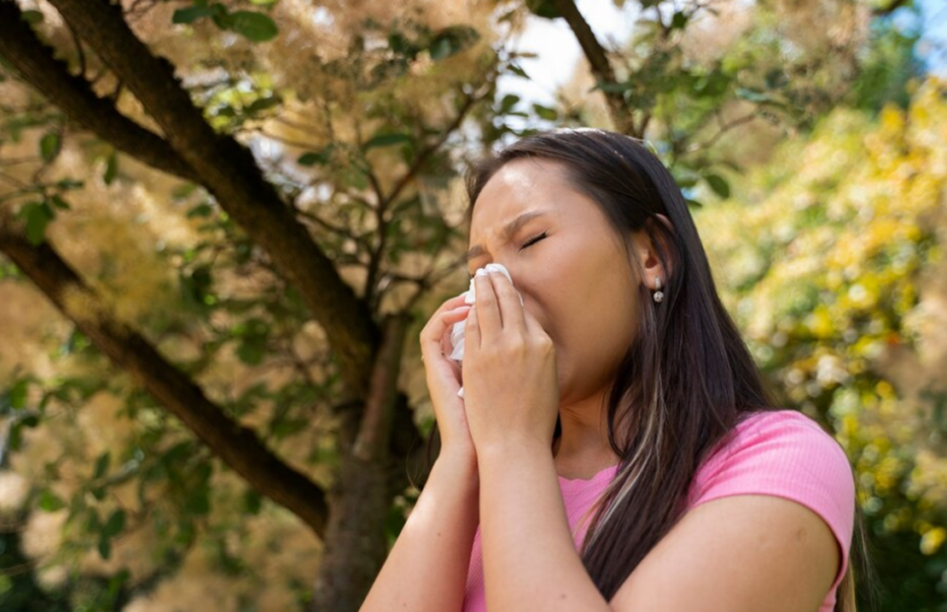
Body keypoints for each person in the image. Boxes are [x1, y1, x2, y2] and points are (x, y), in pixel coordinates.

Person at [359, 128, 872, 612]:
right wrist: (465, 450)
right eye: (477, 272)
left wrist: (514, 443)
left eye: (532, 240)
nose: (495, 289)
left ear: (654, 254)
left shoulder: (778, 462)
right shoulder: (481, 489)